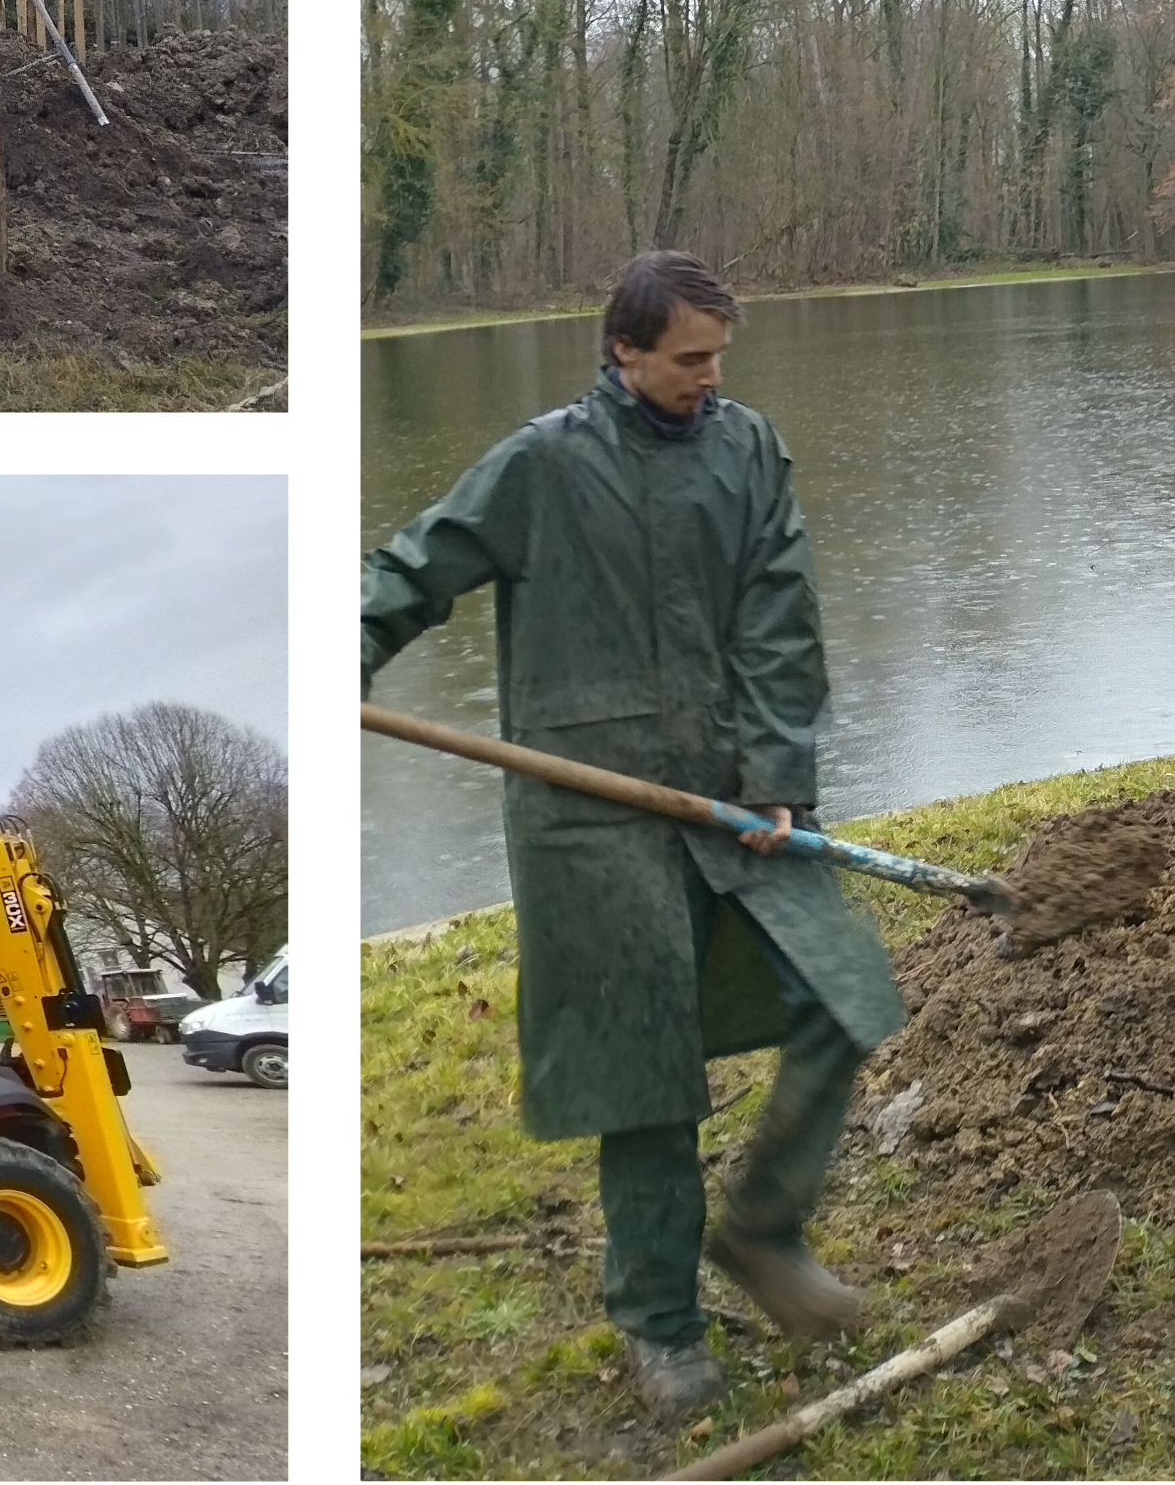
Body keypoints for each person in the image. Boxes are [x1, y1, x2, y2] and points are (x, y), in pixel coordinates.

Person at [358, 249, 904, 1425]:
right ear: (625, 350)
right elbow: (413, 568)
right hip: (587, 816)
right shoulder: (544, 464)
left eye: (720, 358)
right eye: (688, 359)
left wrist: (780, 782)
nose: (710, 379)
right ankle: (661, 1326)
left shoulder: (746, 450)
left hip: (729, 800)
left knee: (845, 991)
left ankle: (760, 1229)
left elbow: (780, 618)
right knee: (644, 1072)